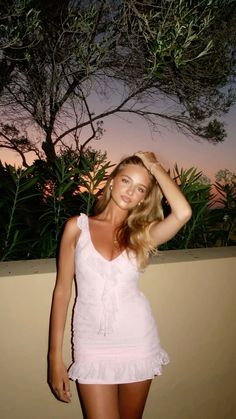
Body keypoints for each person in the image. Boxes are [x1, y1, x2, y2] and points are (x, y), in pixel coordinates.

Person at [48, 151, 192, 419]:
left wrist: (154, 165)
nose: (130, 192)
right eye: (126, 181)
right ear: (112, 181)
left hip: (137, 339)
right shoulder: (77, 228)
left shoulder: (143, 234)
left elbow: (183, 213)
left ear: (143, 198)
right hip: (91, 341)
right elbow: (62, 292)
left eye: (140, 189)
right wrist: (54, 358)